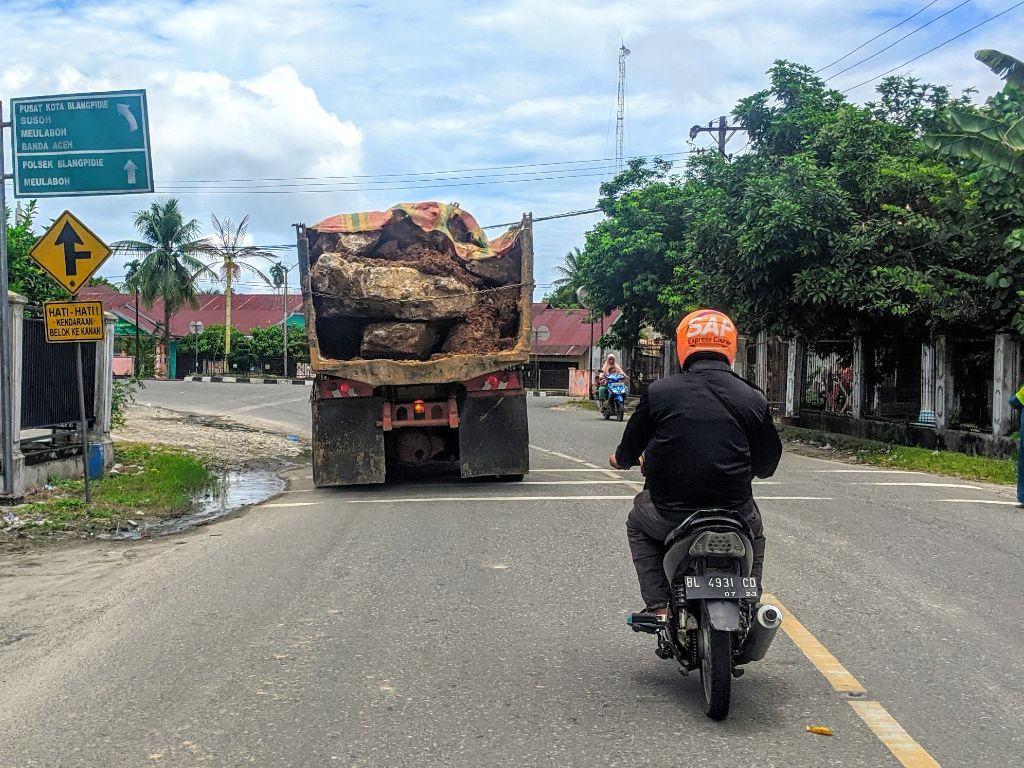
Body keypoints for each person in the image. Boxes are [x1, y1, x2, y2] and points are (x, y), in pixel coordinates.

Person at [609, 309, 782, 616]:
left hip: (669, 514)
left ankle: (659, 605)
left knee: (637, 523)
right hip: (736, 513)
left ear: (683, 346)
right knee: (756, 534)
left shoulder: (660, 392)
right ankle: (750, 602)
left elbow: (629, 448)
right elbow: (768, 465)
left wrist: (622, 460)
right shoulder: (753, 397)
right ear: (729, 347)